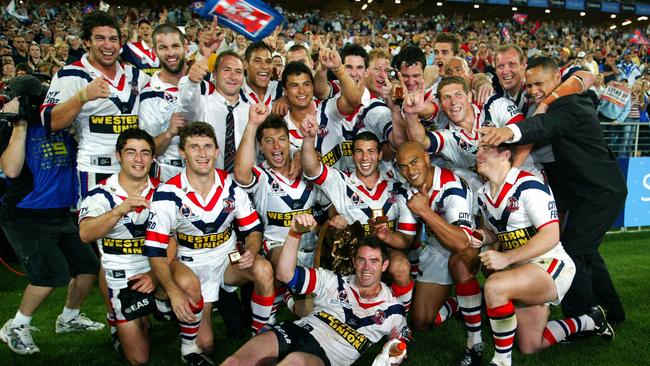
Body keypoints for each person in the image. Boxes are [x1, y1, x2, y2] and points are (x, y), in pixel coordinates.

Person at [479, 56, 628, 324]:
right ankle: (610, 311)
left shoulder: (571, 105)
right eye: (530, 86)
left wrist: (507, 132)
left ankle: (582, 321)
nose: (535, 91)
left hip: (601, 194)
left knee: (574, 252)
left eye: (540, 84)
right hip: (584, 191)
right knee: (586, 251)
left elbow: (542, 126)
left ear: (557, 78)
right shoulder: (559, 102)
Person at [472, 142, 614, 366]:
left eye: (485, 149)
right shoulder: (482, 194)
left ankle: (501, 361)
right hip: (521, 270)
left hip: (551, 265)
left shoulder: (529, 185)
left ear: (506, 154)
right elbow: (495, 232)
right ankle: (590, 320)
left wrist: (506, 258)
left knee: (495, 286)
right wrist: (481, 236)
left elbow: (550, 235)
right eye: (476, 149)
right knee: (530, 346)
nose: (477, 154)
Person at [143, 122, 275, 363]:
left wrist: (252, 251)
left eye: (207, 147)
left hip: (227, 259)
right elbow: (155, 250)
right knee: (206, 346)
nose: (202, 154)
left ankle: (261, 336)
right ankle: (187, 347)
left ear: (216, 151)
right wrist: (173, 292)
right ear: (182, 152)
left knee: (264, 269)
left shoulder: (232, 186)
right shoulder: (166, 193)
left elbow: (253, 230)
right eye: (194, 147)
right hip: (190, 262)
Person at [0, 76, 102, 356]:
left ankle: (69, 318)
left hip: (59, 212)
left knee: (88, 266)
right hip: (25, 214)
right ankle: (16, 326)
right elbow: (10, 169)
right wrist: (19, 125)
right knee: (49, 275)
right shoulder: (9, 129)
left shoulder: (61, 124)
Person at [222, 214, 410, 366]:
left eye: (374, 261)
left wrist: (389, 356)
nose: (366, 267)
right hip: (296, 331)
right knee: (234, 362)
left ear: (384, 265)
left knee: (293, 362)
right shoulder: (333, 281)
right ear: (354, 262)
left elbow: (402, 342)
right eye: (361, 260)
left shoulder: (393, 310)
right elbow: (285, 275)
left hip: (325, 354)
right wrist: (294, 234)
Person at [300, 116, 417, 312]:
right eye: (359, 152)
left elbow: (406, 241)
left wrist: (385, 236)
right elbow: (313, 169)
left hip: (386, 247)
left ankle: (400, 317)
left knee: (402, 267)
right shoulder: (341, 181)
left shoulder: (396, 185)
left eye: (371, 151)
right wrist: (309, 140)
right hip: (351, 251)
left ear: (380, 155)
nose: (365, 158)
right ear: (352, 155)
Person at [40, 11, 149, 199]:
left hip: (137, 168)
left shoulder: (136, 75)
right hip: (96, 168)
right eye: (100, 38)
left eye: (113, 39)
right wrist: (82, 97)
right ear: (86, 42)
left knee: (136, 226)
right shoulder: (70, 75)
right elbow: (50, 122)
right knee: (98, 227)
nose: (108, 45)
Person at [394, 141, 483, 366]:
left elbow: (462, 243)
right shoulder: (406, 189)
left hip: (472, 244)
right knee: (421, 321)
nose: (410, 171)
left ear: (426, 158)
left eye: (414, 162)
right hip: (435, 248)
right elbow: (405, 238)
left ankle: (475, 341)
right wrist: (384, 236)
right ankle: (462, 301)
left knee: (460, 263)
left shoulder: (451, 185)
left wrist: (425, 211)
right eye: (402, 166)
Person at [78, 128, 162, 365]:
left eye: (145, 153)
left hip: (158, 273)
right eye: (131, 152)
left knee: (187, 286)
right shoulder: (100, 195)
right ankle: (123, 318)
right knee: (139, 359)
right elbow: (85, 234)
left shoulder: (165, 191)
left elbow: (176, 239)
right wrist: (118, 211)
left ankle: (172, 322)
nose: (138, 159)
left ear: (153, 158)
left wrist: (155, 274)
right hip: (120, 279)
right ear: (118, 155)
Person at [139, 23, 189, 182]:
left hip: (208, 171)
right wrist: (170, 132)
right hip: (169, 173)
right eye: (163, 47)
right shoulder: (150, 93)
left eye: (175, 46)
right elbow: (147, 149)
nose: (170, 53)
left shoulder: (204, 83)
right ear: (154, 51)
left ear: (185, 47)